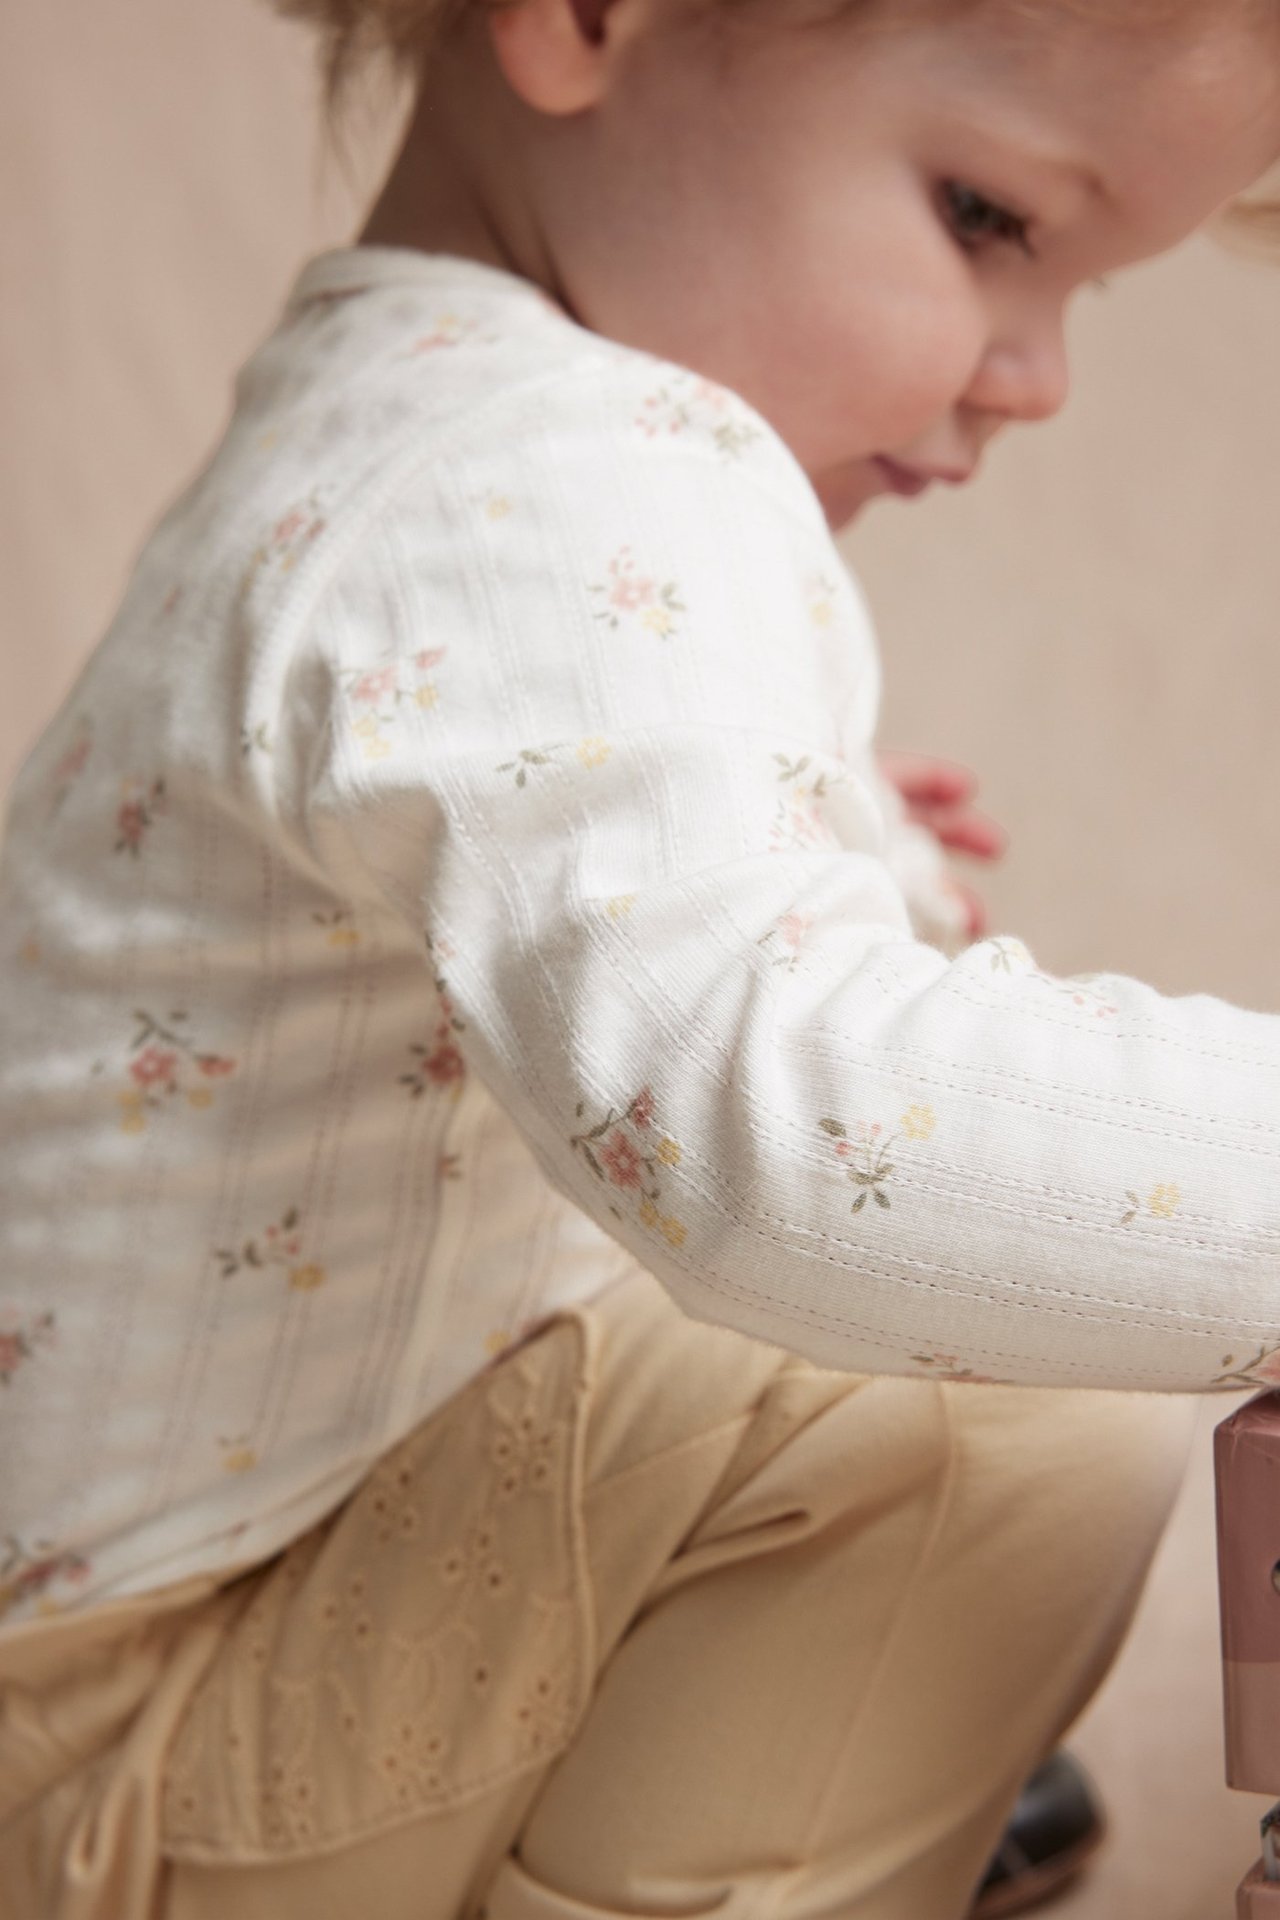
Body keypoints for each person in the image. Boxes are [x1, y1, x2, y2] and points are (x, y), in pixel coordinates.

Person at [1, 0, 1278, 1916]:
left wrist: (814, 830)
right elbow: (795, 1126)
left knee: (907, 1326)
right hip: (125, 1748)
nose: (1038, 379)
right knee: (997, 1395)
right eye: (991, 219)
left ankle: (758, 1748)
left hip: (138, 1664)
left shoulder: (415, 410)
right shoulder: (551, 461)